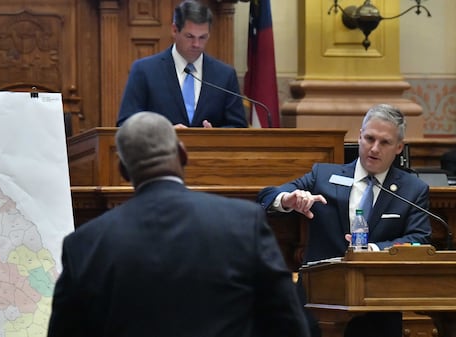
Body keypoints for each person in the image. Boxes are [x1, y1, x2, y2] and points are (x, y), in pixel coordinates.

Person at [47, 111, 309, 337]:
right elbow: (287, 324)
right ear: (183, 154)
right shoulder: (243, 222)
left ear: (124, 172)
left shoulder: (84, 244)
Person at [256, 104, 432, 337]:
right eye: (369, 138)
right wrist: (289, 199)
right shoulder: (325, 176)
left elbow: (420, 238)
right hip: (317, 298)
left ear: (399, 147)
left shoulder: (412, 189)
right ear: (359, 136)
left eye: (385, 142)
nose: (374, 148)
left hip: (377, 305)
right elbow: (267, 196)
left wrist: (372, 250)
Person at [117, 0, 248, 129]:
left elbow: (238, 126)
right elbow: (125, 124)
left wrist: (214, 136)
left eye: (203, 37)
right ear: (174, 30)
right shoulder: (145, 71)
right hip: (160, 149)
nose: (196, 44)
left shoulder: (225, 75)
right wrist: (163, 133)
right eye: (190, 36)